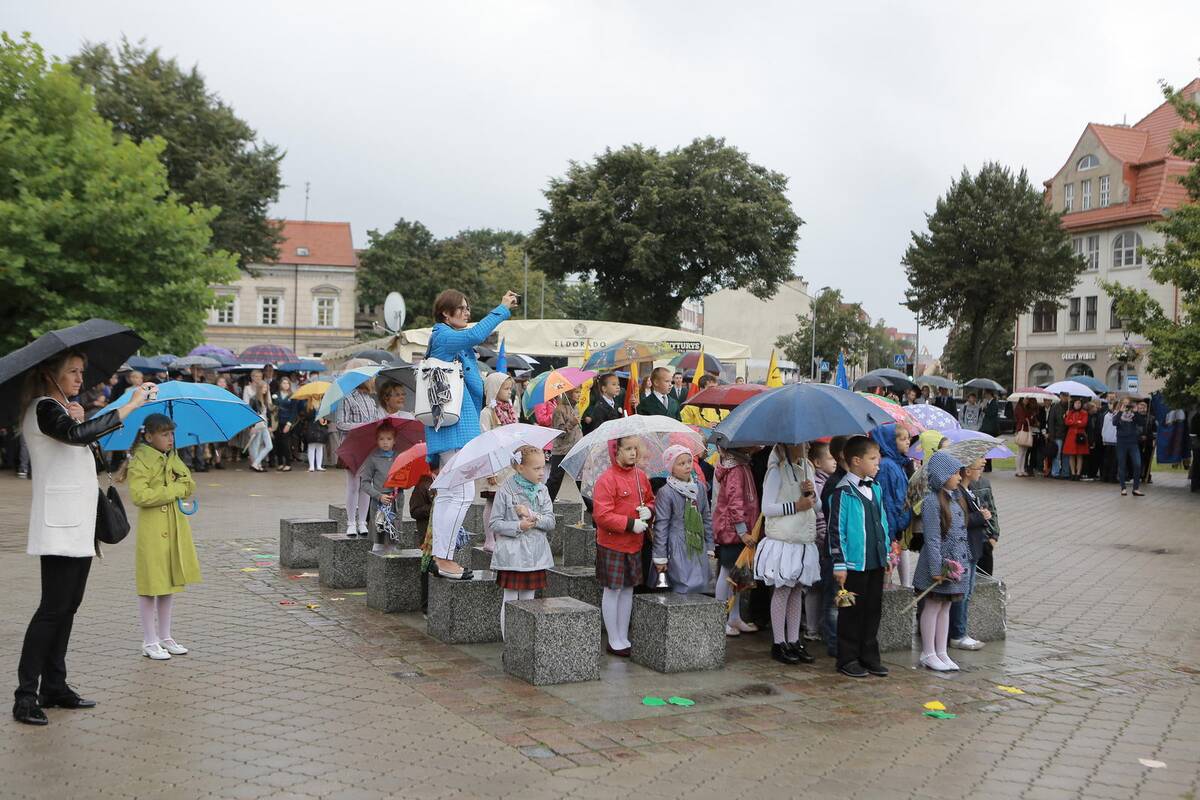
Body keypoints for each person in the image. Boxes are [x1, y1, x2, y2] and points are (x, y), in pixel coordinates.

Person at [14, 350, 156, 726]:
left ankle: (54, 686)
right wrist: (129, 405)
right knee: (52, 609)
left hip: (78, 522)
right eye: (72, 372)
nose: (80, 378)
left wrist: (81, 419)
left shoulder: (62, 412)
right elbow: (75, 436)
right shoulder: (43, 408)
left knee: (68, 607)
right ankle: (25, 695)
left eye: (81, 371)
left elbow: (81, 444)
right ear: (50, 375)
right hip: (60, 524)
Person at [424, 289, 518, 579]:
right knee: (461, 494)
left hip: (455, 430)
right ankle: (444, 559)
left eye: (467, 308)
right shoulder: (443, 336)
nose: (467, 312)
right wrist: (502, 308)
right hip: (453, 431)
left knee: (450, 494)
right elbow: (476, 334)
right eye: (462, 308)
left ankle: (441, 557)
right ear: (445, 313)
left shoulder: (452, 341)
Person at [125, 414, 202, 660]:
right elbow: (140, 495)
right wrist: (173, 489)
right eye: (164, 434)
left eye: (172, 434)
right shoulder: (140, 460)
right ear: (149, 436)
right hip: (153, 529)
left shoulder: (173, 457)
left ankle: (165, 636)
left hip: (175, 525)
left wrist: (178, 485)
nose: (170, 439)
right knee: (150, 584)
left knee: (168, 582)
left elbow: (189, 485)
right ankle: (150, 640)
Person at [827, 436, 893, 679]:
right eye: (873, 459)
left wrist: (886, 552)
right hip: (854, 564)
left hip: (875, 559)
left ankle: (869, 655)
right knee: (851, 612)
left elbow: (883, 522)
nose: (878, 463)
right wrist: (839, 563)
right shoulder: (843, 492)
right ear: (856, 461)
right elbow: (836, 530)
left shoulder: (875, 488)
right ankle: (848, 657)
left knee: (872, 609)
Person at [755, 443, 820, 665]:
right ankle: (778, 642)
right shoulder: (776, 471)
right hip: (784, 540)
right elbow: (767, 508)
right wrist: (796, 506)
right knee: (783, 590)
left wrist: (811, 494)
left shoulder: (807, 468)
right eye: (802, 443)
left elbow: (817, 506)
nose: (807, 445)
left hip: (803, 539)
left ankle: (793, 640)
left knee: (797, 591)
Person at [592, 436, 655, 656]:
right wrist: (630, 524)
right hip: (612, 544)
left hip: (634, 544)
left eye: (635, 449)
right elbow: (602, 515)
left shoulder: (641, 476)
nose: (633, 453)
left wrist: (649, 510)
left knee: (628, 589)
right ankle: (613, 638)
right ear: (616, 450)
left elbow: (650, 499)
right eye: (628, 449)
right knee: (613, 589)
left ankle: (622, 635)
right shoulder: (606, 479)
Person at [489, 445, 555, 639]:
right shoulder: (506, 490)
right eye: (536, 468)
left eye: (543, 467)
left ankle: (524, 642)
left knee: (529, 600)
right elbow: (495, 523)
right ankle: (509, 641)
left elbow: (550, 521)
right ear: (520, 468)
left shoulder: (542, 490)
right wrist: (518, 526)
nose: (542, 472)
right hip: (512, 555)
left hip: (535, 555)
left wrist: (532, 515)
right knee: (510, 598)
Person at [913, 450, 971, 672]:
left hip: (953, 566)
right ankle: (928, 652)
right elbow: (933, 538)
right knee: (933, 605)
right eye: (955, 473)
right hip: (937, 565)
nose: (959, 476)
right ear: (942, 475)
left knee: (946, 607)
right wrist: (936, 568)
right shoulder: (931, 501)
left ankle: (941, 651)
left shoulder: (956, 498)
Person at [651, 445, 714, 595]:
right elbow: (661, 525)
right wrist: (660, 556)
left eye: (689, 461)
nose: (687, 466)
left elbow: (706, 516)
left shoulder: (699, 487)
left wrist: (710, 544)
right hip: (676, 545)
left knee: (702, 582)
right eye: (681, 463)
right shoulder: (666, 492)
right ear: (671, 468)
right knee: (683, 582)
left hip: (697, 543)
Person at [712, 446, 761, 637]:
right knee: (727, 572)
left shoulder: (742, 465)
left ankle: (734, 616)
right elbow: (735, 501)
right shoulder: (735, 469)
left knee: (737, 574)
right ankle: (719, 618)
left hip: (739, 530)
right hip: (732, 531)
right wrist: (742, 531)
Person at [948, 458, 994, 651]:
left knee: (967, 592)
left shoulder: (969, 491)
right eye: (978, 468)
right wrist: (980, 517)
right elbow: (960, 520)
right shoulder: (958, 493)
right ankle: (957, 633)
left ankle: (961, 631)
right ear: (967, 471)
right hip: (965, 549)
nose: (981, 471)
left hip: (973, 548)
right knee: (962, 593)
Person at [334, 380, 384, 535]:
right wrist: (361, 426)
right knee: (353, 485)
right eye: (372, 379)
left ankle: (362, 522)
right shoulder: (347, 398)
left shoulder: (371, 400)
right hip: (352, 446)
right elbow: (340, 423)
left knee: (366, 485)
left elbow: (377, 422)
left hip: (369, 446)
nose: (374, 382)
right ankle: (351, 522)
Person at [869, 425, 914, 587]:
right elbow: (887, 501)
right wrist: (890, 533)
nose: (908, 442)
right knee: (885, 577)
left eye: (908, 438)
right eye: (902, 439)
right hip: (890, 529)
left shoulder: (897, 463)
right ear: (890, 442)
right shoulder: (887, 466)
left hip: (896, 526)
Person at [479, 372, 518, 552]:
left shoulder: (509, 410)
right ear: (494, 389)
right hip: (494, 464)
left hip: (508, 464)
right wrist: (489, 470)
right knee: (492, 502)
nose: (509, 392)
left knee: (506, 503)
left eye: (510, 388)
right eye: (506, 388)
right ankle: (489, 539)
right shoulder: (487, 412)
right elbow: (484, 440)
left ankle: (501, 535)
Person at [810, 439, 840, 655]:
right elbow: (821, 517)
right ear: (818, 462)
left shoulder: (830, 481)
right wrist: (822, 539)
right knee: (818, 590)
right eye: (830, 458)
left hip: (825, 543)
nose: (834, 462)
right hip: (822, 544)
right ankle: (816, 629)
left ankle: (819, 626)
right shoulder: (821, 484)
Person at [359, 427, 400, 552]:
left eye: (389, 439)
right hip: (379, 502)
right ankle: (376, 558)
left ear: (395, 440)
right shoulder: (372, 459)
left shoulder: (400, 457)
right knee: (379, 535)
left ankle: (392, 558)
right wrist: (379, 496)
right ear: (377, 441)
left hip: (395, 501)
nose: (385, 442)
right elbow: (364, 483)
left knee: (393, 535)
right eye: (381, 439)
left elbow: (407, 480)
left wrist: (400, 486)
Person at [547, 387, 582, 500]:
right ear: (569, 393)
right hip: (561, 450)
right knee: (555, 479)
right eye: (576, 392)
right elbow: (559, 432)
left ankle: (591, 505)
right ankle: (545, 502)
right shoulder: (559, 410)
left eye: (580, 392)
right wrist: (571, 423)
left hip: (575, 448)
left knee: (580, 478)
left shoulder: (575, 407)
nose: (579, 394)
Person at [1115, 398, 1146, 496]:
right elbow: (1114, 422)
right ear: (1121, 404)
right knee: (1122, 465)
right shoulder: (1118, 413)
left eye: (1127, 404)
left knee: (1137, 464)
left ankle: (1135, 488)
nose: (1126, 405)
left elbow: (1142, 423)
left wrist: (1136, 412)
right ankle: (1123, 488)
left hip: (1133, 442)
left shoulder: (1133, 414)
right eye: (1124, 404)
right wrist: (1120, 411)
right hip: (1121, 442)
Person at [271, 376, 299, 472]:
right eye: (284, 383)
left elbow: (294, 411)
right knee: (277, 442)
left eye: (287, 383)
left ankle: (288, 463)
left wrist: (289, 423)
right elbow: (272, 408)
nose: (286, 385)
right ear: (280, 384)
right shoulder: (276, 395)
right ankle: (280, 463)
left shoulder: (292, 396)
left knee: (285, 443)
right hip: (276, 422)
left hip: (286, 422)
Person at [1063, 399, 1089, 480]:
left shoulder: (1084, 413)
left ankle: (1078, 473)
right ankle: (1073, 473)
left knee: (1079, 455)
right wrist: (1077, 422)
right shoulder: (1070, 412)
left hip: (1080, 435)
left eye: (1079, 403)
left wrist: (1073, 422)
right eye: (1076, 403)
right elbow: (1067, 422)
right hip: (1071, 435)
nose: (1078, 404)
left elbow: (1084, 423)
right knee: (1071, 454)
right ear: (1073, 404)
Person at [1046, 393, 1070, 479]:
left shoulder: (1070, 407)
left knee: (1066, 454)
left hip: (1067, 435)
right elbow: (1051, 422)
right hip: (1057, 435)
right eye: (1063, 396)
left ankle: (1065, 472)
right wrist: (1052, 435)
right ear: (1060, 396)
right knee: (1057, 454)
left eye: (1066, 396)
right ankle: (1055, 472)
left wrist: (1068, 416)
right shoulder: (1055, 407)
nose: (1065, 398)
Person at [1138, 399, 1157, 485]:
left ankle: (1146, 476)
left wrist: (1149, 437)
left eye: (1144, 408)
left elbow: (1154, 431)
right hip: (1137, 442)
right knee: (1138, 460)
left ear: (1146, 408)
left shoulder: (1152, 418)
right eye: (1140, 408)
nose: (1142, 410)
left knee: (1148, 459)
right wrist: (1140, 436)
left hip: (1148, 442)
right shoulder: (1135, 417)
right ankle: (1138, 475)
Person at [1101, 399, 1118, 483]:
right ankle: (1106, 476)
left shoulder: (1110, 415)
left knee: (1113, 460)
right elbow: (1104, 427)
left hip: (1113, 439)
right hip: (1110, 440)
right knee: (1108, 459)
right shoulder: (1107, 416)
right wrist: (1104, 438)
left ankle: (1111, 476)